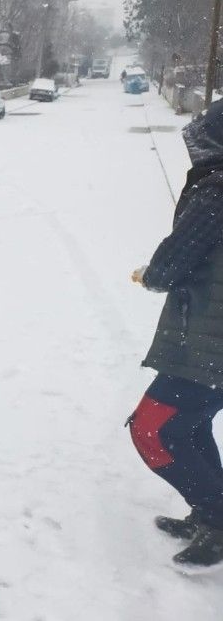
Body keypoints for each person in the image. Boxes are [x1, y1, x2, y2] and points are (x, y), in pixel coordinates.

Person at [129, 98, 223, 570]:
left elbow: (171, 265)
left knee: (152, 429)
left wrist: (150, 275)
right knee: (189, 425)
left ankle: (218, 522)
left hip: (210, 342)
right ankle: (210, 513)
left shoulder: (215, 192)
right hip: (213, 345)